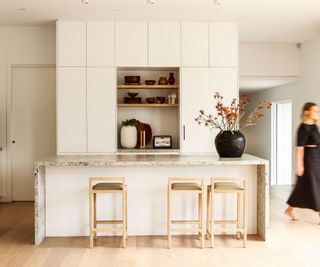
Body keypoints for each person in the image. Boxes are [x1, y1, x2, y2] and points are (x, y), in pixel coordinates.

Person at [285, 102, 320, 222]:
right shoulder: (303, 127)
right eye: (315, 111)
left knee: (304, 186)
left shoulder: (315, 126)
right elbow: (299, 147)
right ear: (307, 112)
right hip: (309, 160)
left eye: (318, 111)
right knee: (315, 186)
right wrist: (299, 165)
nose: (317, 113)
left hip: (317, 157)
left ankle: (289, 210)